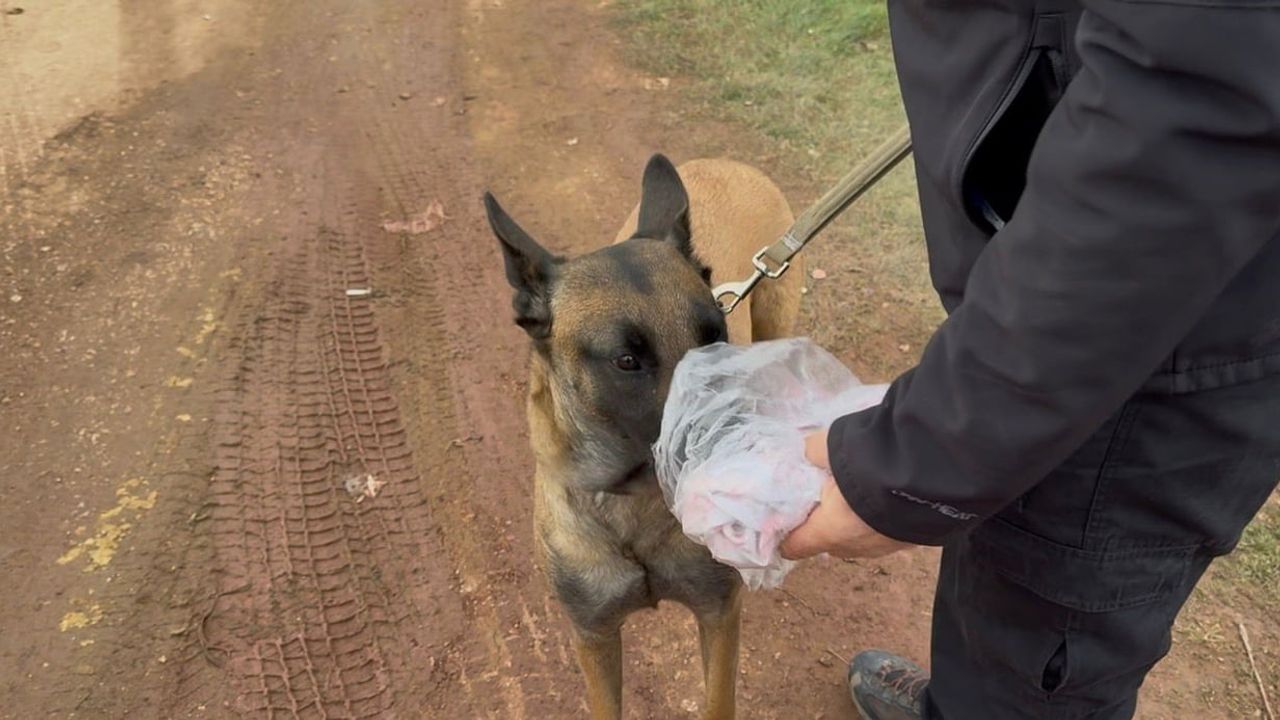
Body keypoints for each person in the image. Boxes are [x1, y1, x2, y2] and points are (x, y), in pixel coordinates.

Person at [777, 2, 1280, 719]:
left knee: (1035, 657)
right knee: (998, 586)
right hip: (1070, 324)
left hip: (1141, 361)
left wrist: (924, 461)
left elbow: (1190, 105)